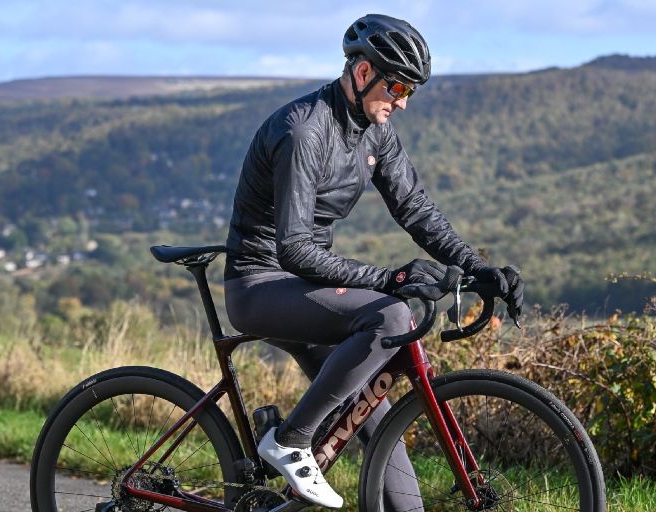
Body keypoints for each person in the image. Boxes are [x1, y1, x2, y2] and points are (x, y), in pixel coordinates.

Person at [224, 13, 524, 509]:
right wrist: (392, 278)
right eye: (398, 86)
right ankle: (289, 441)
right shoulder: (302, 131)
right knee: (390, 313)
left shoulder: (372, 129)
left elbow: (416, 209)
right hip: (262, 285)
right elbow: (295, 248)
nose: (402, 102)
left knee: (377, 420)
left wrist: (478, 270)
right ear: (363, 73)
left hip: (304, 284)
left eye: (411, 91)